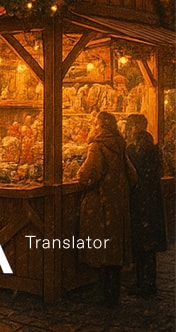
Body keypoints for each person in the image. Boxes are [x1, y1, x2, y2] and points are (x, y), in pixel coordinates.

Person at [76, 111, 136, 306]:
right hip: (117, 205)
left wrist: (79, 174)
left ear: (101, 126)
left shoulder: (97, 146)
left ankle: (102, 293)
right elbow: (132, 175)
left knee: (100, 247)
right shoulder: (120, 144)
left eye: (96, 123)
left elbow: (89, 174)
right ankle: (113, 292)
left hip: (100, 204)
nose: (94, 127)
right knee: (114, 249)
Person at [124, 114, 166, 297]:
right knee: (147, 245)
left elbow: (134, 171)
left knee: (143, 244)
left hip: (142, 201)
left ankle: (145, 284)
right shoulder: (150, 145)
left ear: (136, 126)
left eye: (131, 125)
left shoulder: (139, 147)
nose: (129, 128)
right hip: (150, 201)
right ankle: (146, 282)